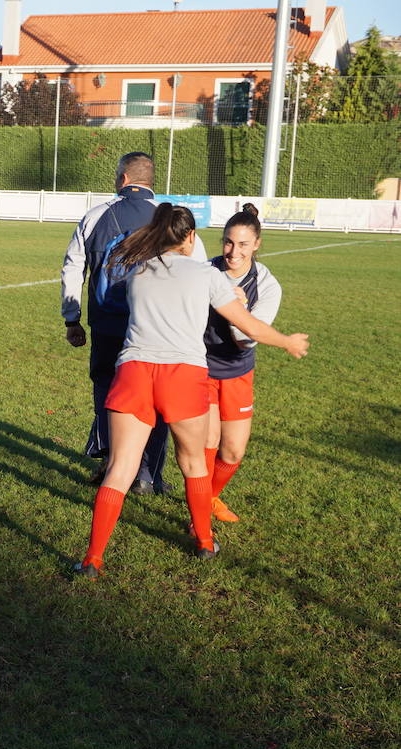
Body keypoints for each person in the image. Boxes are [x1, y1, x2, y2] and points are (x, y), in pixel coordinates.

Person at [73, 204, 308, 576]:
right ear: (191, 237)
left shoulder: (137, 272)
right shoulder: (206, 275)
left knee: (119, 469)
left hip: (134, 372)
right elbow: (249, 327)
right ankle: (204, 541)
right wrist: (288, 342)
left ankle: (92, 559)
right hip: (183, 375)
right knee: (194, 463)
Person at [60, 152, 205, 495]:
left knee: (108, 391)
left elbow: (72, 268)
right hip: (157, 329)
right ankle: (147, 475)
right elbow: (198, 271)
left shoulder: (96, 215)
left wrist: (72, 318)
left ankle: (111, 463)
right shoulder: (169, 218)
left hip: (107, 324)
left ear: (123, 178)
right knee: (155, 400)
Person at [202, 204, 282, 523]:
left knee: (233, 450)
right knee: (208, 441)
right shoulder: (205, 273)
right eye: (228, 242)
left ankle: (208, 497)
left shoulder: (267, 285)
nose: (234, 252)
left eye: (243, 244)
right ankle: (199, 516)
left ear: (257, 244)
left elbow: (245, 341)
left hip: (238, 371)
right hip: (201, 369)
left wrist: (238, 309)